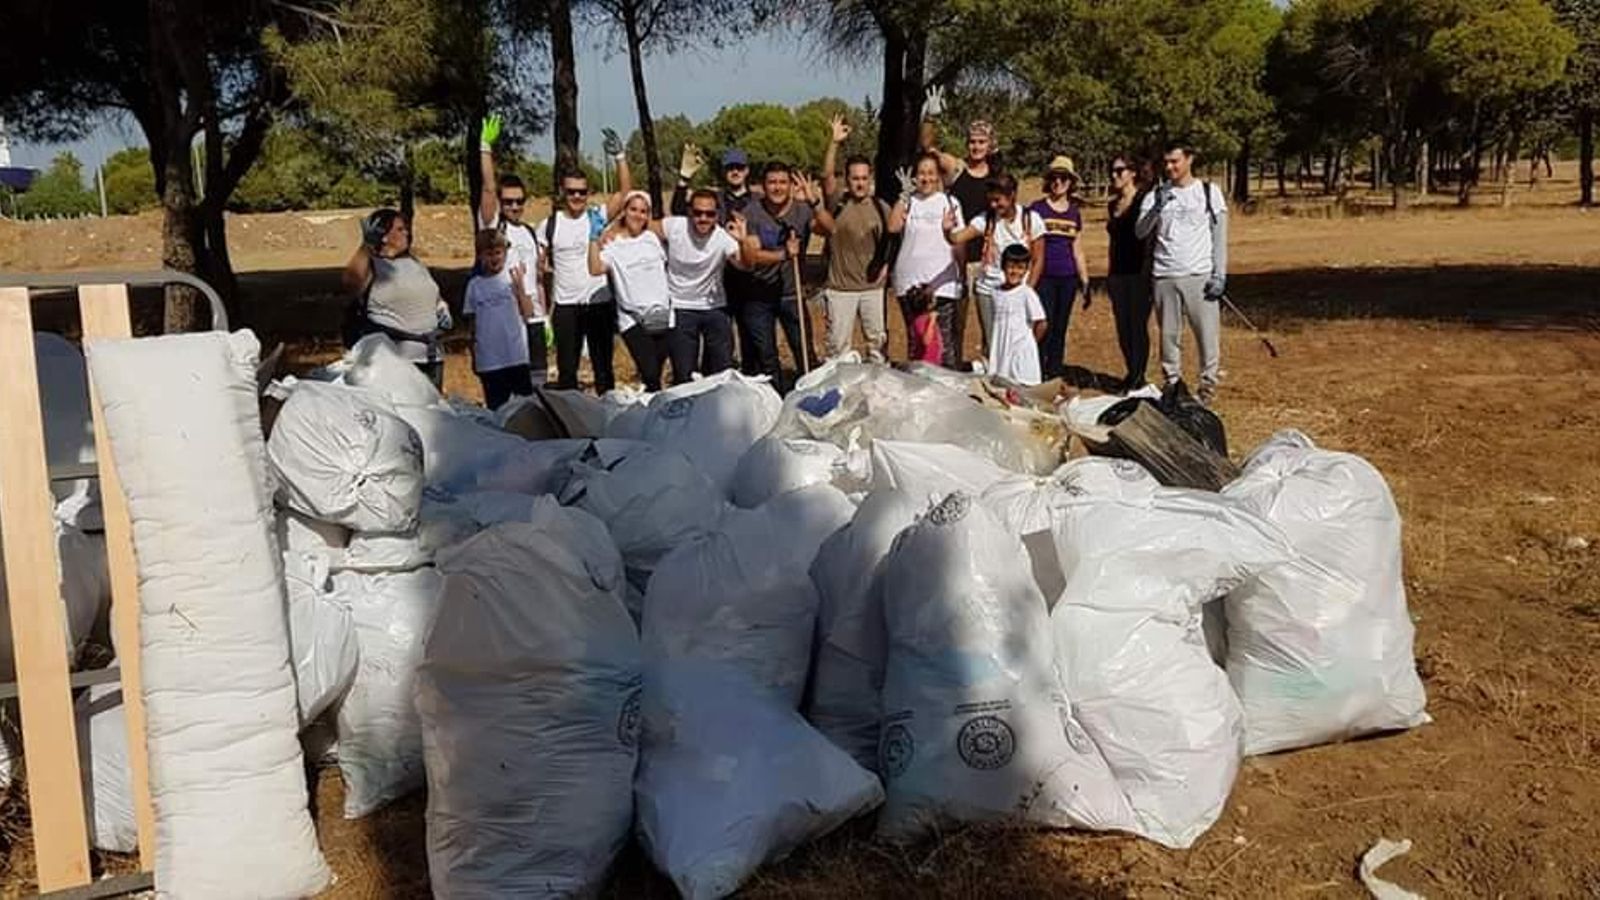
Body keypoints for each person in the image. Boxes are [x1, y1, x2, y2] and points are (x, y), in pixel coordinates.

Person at [534, 130, 630, 393]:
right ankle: (571, 427)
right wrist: (540, 313)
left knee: (603, 370)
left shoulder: (596, 216)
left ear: (589, 193)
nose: (577, 197)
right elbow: (539, 271)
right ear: (563, 193)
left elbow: (624, 193)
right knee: (567, 371)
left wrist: (619, 157)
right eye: (572, 192)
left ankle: (608, 421)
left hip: (598, 304)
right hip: (566, 307)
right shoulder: (549, 224)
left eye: (582, 192)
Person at [1135, 142, 1229, 404]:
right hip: (1165, 274)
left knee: (1206, 334)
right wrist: (1156, 208)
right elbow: (1140, 232)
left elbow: (1219, 236)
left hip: (1199, 274)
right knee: (1168, 335)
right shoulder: (1156, 194)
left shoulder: (1209, 193)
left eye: (1175, 161)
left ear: (1190, 159)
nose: (1170, 167)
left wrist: (1219, 274)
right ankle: (1173, 384)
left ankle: (1207, 386)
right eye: (1166, 162)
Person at [920, 85, 1002, 360]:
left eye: (981, 142)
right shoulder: (957, 169)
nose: (976, 147)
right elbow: (928, 148)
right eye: (972, 141)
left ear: (990, 144)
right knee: (956, 322)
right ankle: (953, 369)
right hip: (959, 257)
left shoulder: (998, 176)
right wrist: (930, 118)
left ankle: (991, 372)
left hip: (989, 259)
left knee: (992, 323)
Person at [737, 162, 829, 391]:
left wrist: (814, 202)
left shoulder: (802, 210)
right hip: (758, 295)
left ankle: (810, 396)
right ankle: (774, 400)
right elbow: (751, 256)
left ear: (790, 185)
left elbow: (829, 229)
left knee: (804, 351)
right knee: (766, 356)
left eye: (782, 182)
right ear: (763, 186)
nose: (777, 188)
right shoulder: (752, 213)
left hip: (792, 293)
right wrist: (784, 254)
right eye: (772, 182)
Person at [672, 145, 763, 375]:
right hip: (718, 283)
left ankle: (749, 384)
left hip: (749, 283)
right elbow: (680, 212)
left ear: (747, 170)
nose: (735, 172)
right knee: (717, 349)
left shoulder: (758, 201)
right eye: (730, 167)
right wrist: (684, 180)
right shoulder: (715, 199)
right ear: (724, 171)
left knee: (752, 342)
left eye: (739, 167)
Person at [942, 172, 1044, 371]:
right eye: (991, 201)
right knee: (993, 340)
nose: (994, 205)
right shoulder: (985, 220)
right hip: (989, 290)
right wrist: (947, 229)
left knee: (1017, 337)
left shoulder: (1031, 220)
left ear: (1012, 195)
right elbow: (956, 239)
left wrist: (1027, 290)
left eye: (998, 200)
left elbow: (1039, 258)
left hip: (1018, 290)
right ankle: (994, 380)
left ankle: (1016, 375)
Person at [475, 113, 549, 385]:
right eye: (508, 202)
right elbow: (488, 189)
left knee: (538, 389)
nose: (514, 207)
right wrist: (486, 148)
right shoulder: (494, 227)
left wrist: (546, 316)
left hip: (535, 318)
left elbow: (538, 278)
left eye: (519, 201)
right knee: (512, 394)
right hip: (508, 323)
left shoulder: (530, 232)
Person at [341, 207, 451, 386]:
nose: (406, 232)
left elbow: (431, 294)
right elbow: (351, 283)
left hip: (431, 358)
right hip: (395, 361)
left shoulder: (414, 263)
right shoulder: (374, 265)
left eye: (405, 228)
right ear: (383, 236)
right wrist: (367, 245)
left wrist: (441, 307)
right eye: (400, 229)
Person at [815, 114, 891, 363]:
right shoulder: (839, 202)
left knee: (877, 349)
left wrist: (886, 268)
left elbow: (893, 241)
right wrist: (834, 142)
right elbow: (826, 176)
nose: (860, 183)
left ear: (871, 179)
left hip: (872, 290)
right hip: (840, 290)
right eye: (855, 178)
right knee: (838, 351)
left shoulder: (881, 207)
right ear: (847, 180)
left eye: (864, 178)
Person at [656, 188, 749, 378]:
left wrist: (743, 241)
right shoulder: (675, 226)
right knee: (684, 373)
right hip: (680, 307)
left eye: (710, 214)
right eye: (698, 213)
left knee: (722, 371)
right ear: (689, 212)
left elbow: (744, 266)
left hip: (714, 307)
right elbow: (642, 226)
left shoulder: (722, 238)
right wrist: (615, 231)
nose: (703, 218)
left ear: (717, 215)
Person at [588, 191, 674, 392]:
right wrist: (593, 238)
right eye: (633, 209)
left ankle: (653, 412)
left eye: (643, 211)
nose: (638, 215)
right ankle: (651, 416)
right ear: (624, 212)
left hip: (661, 315)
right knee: (650, 373)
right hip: (632, 319)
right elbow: (595, 269)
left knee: (655, 375)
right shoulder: (614, 244)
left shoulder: (653, 239)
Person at [887, 152, 964, 367]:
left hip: (941, 283)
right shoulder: (909, 202)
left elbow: (958, 241)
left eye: (931, 173)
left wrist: (962, 274)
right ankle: (918, 390)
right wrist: (903, 195)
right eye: (921, 173)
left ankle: (944, 391)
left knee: (942, 344)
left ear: (938, 175)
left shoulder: (949, 202)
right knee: (916, 341)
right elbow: (893, 227)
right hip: (910, 285)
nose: (926, 178)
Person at [1026, 156, 1091, 381]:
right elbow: (1028, 243)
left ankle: (1054, 371)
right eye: (1054, 177)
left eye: (1064, 178)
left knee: (1060, 326)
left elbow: (1077, 248)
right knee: (1043, 323)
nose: (1058, 182)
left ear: (1070, 182)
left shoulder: (1074, 212)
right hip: (1043, 276)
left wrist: (1084, 279)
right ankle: (1036, 370)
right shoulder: (1037, 209)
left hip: (1067, 278)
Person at [463, 229, 536, 410]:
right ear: (480, 256)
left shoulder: (513, 279)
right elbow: (471, 324)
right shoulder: (474, 285)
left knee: (526, 408)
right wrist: (474, 355)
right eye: (489, 254)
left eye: (498, 253)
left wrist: (519, 288)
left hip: (515, 356)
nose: (494, 258)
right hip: (490, 360)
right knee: (498, 408)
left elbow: (528, 313)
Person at [1106, 154, 1154, 391]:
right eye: (1112, 171)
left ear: (1132, 173)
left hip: (1138, 272)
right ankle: (1130, 371)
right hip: (1117, 272)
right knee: (1122, 326)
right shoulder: (1112, 204)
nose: (1114, 175)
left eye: (1119, 171)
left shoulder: (1144, 201)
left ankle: (1139, 374)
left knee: (1137, 326)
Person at [987, 244, 1049, 385]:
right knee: (1002, 383)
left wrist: (1029, 342)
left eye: (1020, 268)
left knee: (1022, 385)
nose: (1015, 272)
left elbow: (1042, 322)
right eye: (1011, 267)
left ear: (1027, 269)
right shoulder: (995, 292)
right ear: (1003, 267)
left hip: (1020, 350)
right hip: (1002, 347)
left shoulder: (1026, 293)